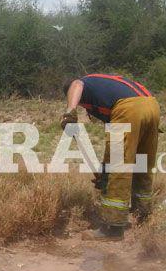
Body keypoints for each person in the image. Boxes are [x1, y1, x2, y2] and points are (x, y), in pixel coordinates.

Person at [61, 74, 160, 241]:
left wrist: (69, 112)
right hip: (151, 105)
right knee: (142, 165)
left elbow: (76, 84)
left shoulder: (81, 83)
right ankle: (143, 216)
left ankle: (113, 229)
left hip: (129, 109)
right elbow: (115, 146)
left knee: (118, 169)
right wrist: (104, 172)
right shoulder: (105, 92)